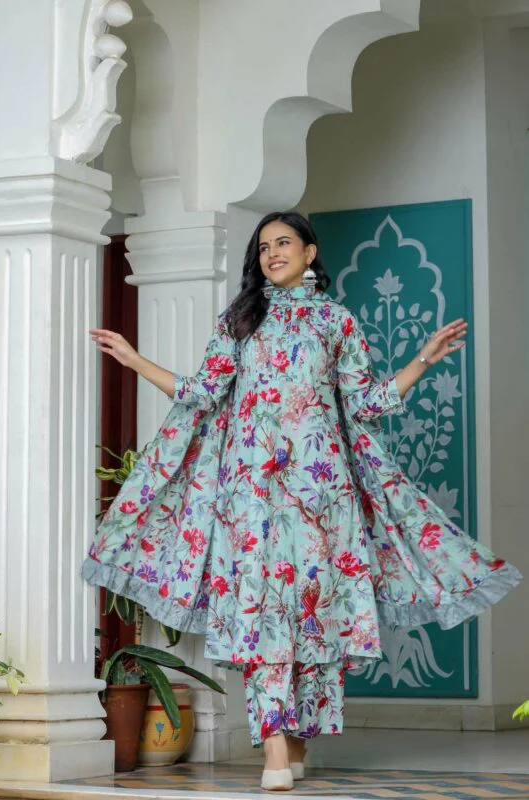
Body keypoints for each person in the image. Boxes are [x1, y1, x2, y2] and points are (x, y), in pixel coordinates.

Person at [83, 211, 521, 791]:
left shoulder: (337, 322)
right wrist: (135, 360)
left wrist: (423, 359)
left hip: (322, 496)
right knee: (261, 612)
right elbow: (203, 393)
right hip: (251, 495)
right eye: (264, 246)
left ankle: (296, 744)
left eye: (284, 242)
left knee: (316, 617)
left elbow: (366, 402)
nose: (272, 253)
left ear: (310, 253)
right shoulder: (240, 320)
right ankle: (272, 751)